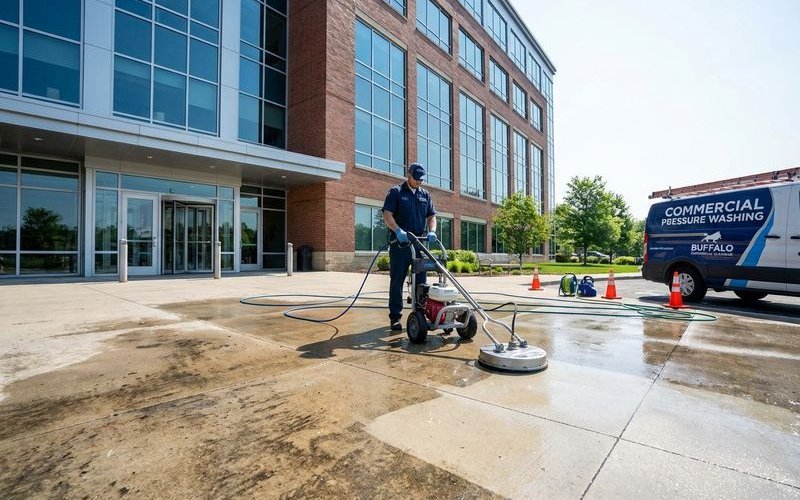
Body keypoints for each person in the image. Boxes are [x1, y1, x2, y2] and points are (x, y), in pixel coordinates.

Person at [382, 163, 437, 331]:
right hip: (400, 244)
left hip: (419, 243)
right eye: (416, 179)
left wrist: (432, 231)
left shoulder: (425, 195)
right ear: (409, 175)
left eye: (421, 180)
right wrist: (398, 230)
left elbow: (432, 216)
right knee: (397, 281)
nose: (419, 182)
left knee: (421, 282)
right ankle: (395, 318)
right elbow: (387, 214)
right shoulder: (396, 192)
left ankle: (419, 314)